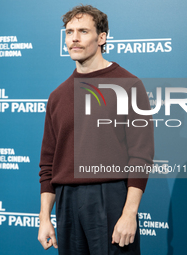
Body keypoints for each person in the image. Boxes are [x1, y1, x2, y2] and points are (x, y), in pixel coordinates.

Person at [38, 5, 154, 255]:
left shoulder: (129, 85)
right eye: (69, 32)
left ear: (102, 37)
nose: (74, 39)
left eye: (83, 31)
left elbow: (141, 156)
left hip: (110, 198)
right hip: (67, 202)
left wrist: (129, 214)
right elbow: (48, 163)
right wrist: (45, 217)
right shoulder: (57, 96)